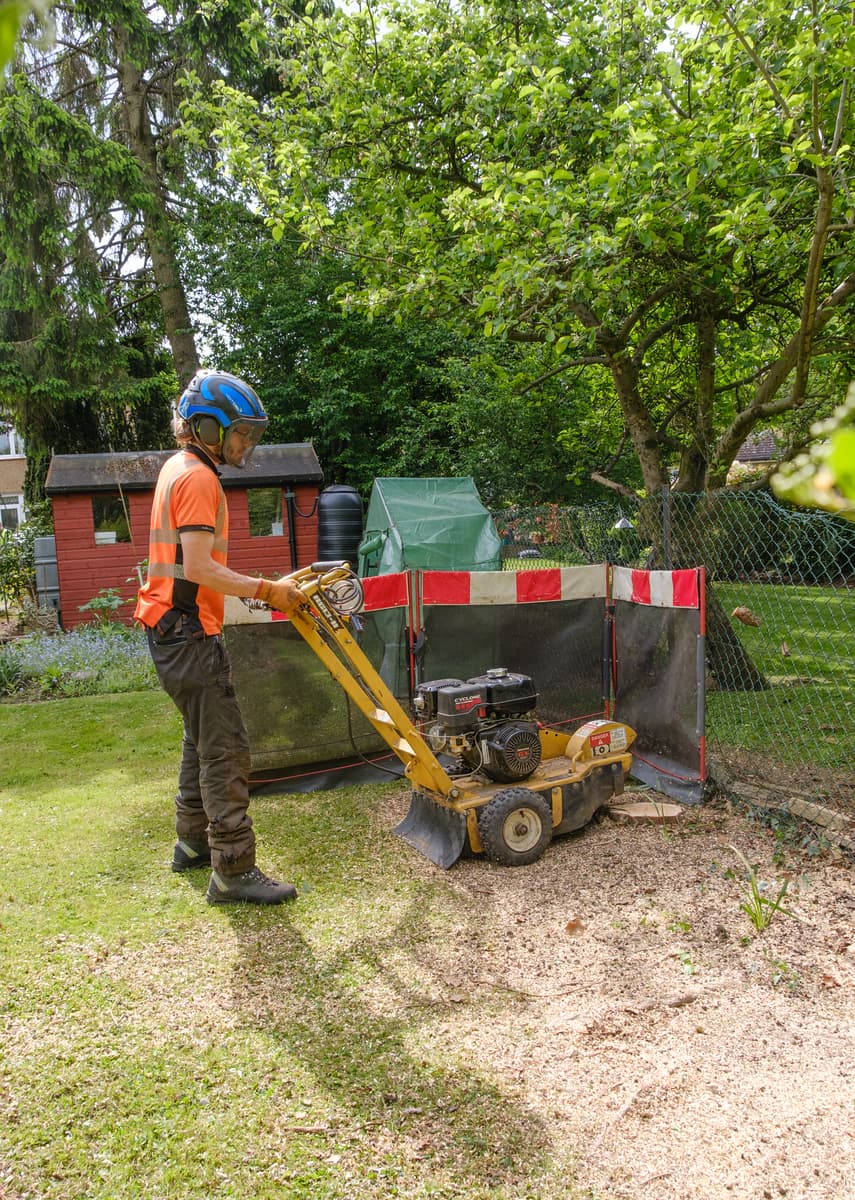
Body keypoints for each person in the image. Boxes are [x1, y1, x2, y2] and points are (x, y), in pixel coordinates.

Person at [135, 369, 302, 905]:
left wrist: (260, 587)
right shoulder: (200, 478)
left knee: (199, 739)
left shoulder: (176, 468)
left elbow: (194, 566)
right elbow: (201, 567)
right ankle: (233, 867)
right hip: (187, 632)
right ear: (207, 426)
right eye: (240, 432)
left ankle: (192, 843)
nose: (246, 443)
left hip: (166, 626)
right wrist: (268, 590)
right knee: (226, 750)